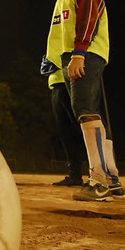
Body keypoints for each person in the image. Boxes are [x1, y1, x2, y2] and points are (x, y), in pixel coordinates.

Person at [43, 0, 123, 201]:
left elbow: (90, 15)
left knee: (85, 111)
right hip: (72, 56)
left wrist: (79, 53)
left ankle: (98, 182)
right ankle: (111, 178)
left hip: (84, 54)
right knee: (93, 113)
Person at [40, 56, 87, 187]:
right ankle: (75, 175)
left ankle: (98, 173)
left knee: (82, 127)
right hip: (56, 80)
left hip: (72, 76)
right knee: (65, 130)